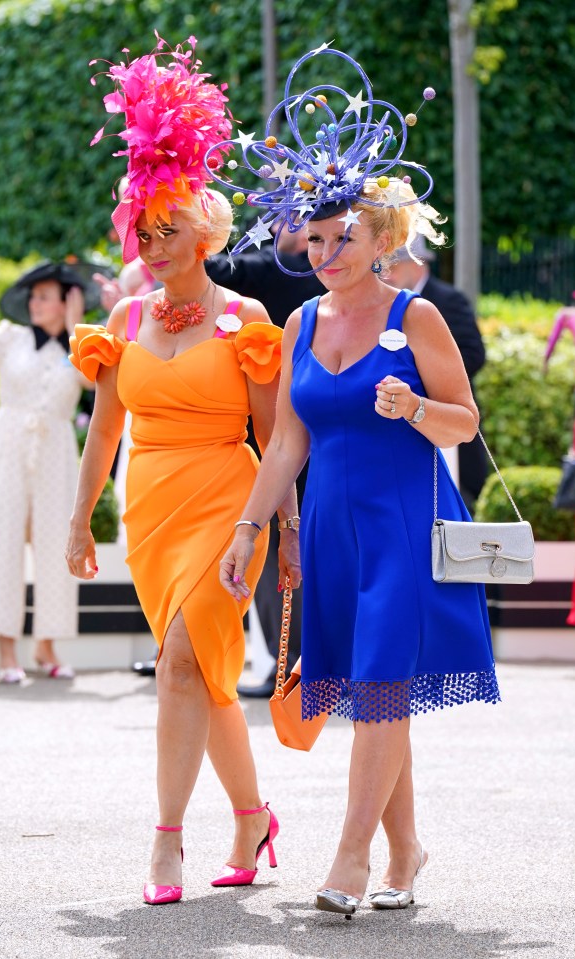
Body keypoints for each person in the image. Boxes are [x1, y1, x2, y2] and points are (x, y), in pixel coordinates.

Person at [211, 45, 499, 917]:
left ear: (383, 240)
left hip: (405, 519)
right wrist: (250, 528)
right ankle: (405, 848)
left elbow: (466, 420)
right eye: (317, 237)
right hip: (332, 525)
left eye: (345, 238)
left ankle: (349, 852)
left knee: (378, 678)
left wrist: (413, 404)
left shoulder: (416, 315)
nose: (327, 251)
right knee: (373, 689)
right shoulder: (299, 320)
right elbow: (288, 442)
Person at [64, 36, 300, 906]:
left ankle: (165, 842)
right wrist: (78, 519)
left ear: (205, 230)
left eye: (170, 231)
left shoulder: (246, 319)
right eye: (143, 231)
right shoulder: (122, 319)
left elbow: (278, 441)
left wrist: (283, 532)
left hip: (226, 502)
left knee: (175, 664)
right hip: (150, 505)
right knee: (199, 672)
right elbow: (102, 434)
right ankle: (253, 817)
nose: (155, 244)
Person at [0, 260, 102, 682]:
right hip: (8, 444)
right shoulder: (9, 337)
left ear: (67, 301)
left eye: (45, 296)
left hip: (55, 450)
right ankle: (6, 654)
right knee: (2, 539)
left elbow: (94, 379)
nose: (35, 303)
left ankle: (47, 647)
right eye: (33, 296)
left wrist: (75, 326)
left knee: (57, 542)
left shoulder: (80, 344)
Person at [206, 226, 324, 696]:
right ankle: (293, 668)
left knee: (286, 554)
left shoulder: (274, 271)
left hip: (288, 436)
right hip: (289, 433)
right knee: (284, 554)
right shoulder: (321, 275)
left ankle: (293, 670)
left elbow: (212, 268)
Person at [382, 237, 487, 511]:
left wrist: (426, 373)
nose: (386, 273)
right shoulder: (382, 306)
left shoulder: (447, 300)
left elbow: (474, 354)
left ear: (417, 263)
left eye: (393, 265)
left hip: (445, 422)